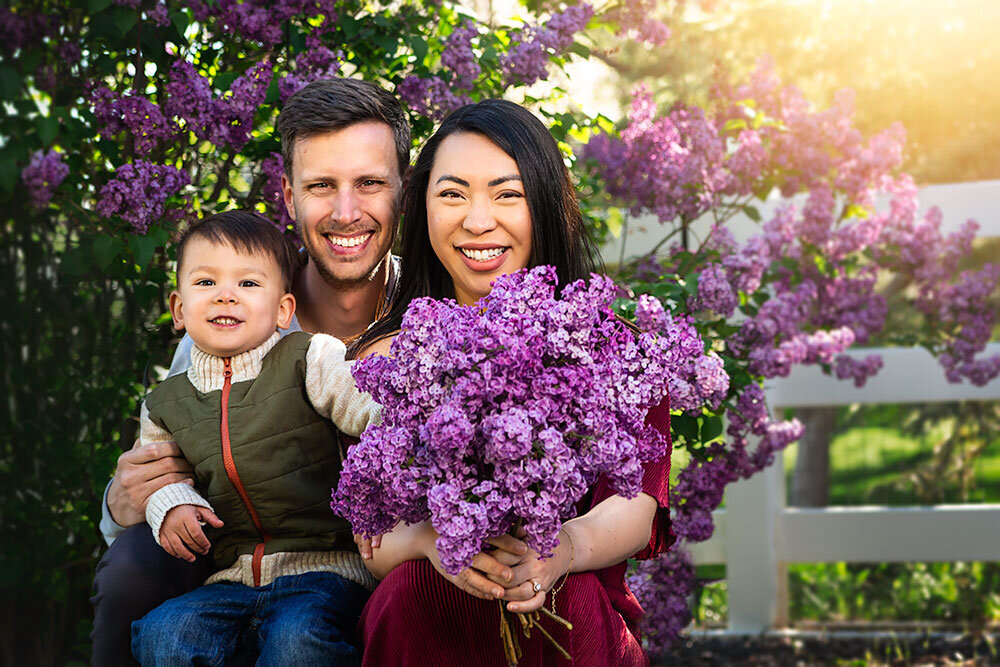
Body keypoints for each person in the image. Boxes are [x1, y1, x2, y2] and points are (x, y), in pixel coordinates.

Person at [90, 77, 410, 665]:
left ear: (403, 191)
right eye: (320, 186)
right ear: (289, 197)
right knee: (133, 573)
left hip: (361, 566)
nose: (345, 212)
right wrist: (128, 502)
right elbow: (160, 465)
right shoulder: (231, 320)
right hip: (238, 566)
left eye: (368, 183)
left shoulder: (430, 313)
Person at [351, 99, 674, 666]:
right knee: (407, 594)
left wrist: (561, 550)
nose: (478, 221)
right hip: (429, 608)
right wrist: (436, 543)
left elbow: (637, 506)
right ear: (422, 208)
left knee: (571, 599)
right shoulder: (391, 359)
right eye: (452, 194)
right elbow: (374, 539)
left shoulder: (615, 347)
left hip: (564, 616)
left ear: (545, 206)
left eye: (508, 194)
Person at [129, 210, 381, 664]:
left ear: (283, 310)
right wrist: (171, 505)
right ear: (179, 309)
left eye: (248, 284)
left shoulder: (310, 359)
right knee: (163, 633)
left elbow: (371, 413)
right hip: (230, 579)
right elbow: (157, 473)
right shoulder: (164, 403)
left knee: (297, 642)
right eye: (206, 283)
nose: (226, 295)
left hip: (324, 570)